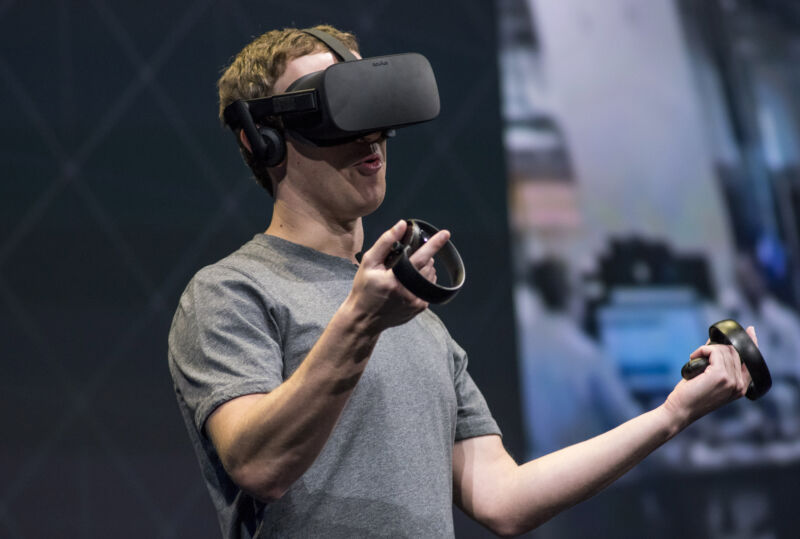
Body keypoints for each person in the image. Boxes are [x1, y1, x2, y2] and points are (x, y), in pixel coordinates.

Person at [168, 24, 756, 538]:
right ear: (260, 138)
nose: (370, 135)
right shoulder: (233, 292)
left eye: (373, 106)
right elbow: (259, 466)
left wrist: (672, 414)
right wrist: (360, 323)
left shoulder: (419, 325)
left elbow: (504, 499)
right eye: (338, 110)